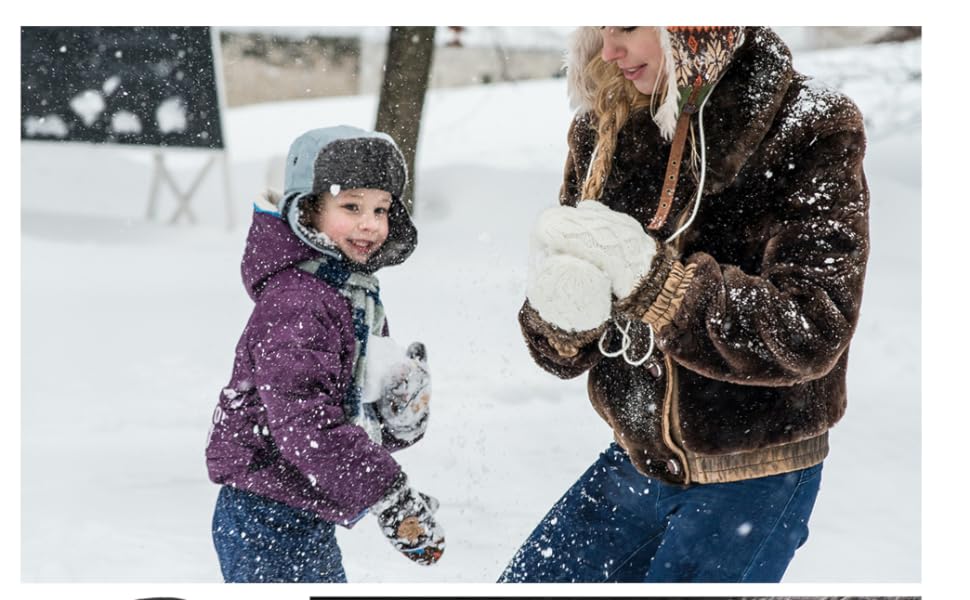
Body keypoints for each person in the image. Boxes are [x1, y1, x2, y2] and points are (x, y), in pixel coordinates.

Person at [500, 26, 870, 583]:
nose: (608, 51)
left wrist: (663, 289)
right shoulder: (607, 121)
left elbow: (812, 327)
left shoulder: (810, 125)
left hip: (754, 478)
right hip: (634, 461)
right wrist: (561, 316)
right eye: (597, 31)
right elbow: (568, 341)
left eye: (626, 26)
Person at [205, 126, 444, 582]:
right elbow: (306, 425)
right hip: (264, 515)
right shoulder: (298, 303)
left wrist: (397, 419)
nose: (369, 224)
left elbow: (345, 417)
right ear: (309, 211)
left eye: (381, 209)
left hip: (303, 507)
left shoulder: (353, 295)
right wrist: (389, 493)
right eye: (351, 206)